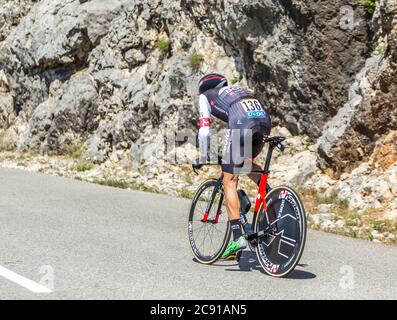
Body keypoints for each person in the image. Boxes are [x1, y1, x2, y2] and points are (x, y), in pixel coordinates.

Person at [193, 73, 272, 259]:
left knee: (229, 179)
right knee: (245, 163)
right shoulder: (237, 90)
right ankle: (272, 199)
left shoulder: (205, 96)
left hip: (241, 124)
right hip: (264, 123)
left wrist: (204, 156)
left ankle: (237, 238)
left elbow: (204, 132)